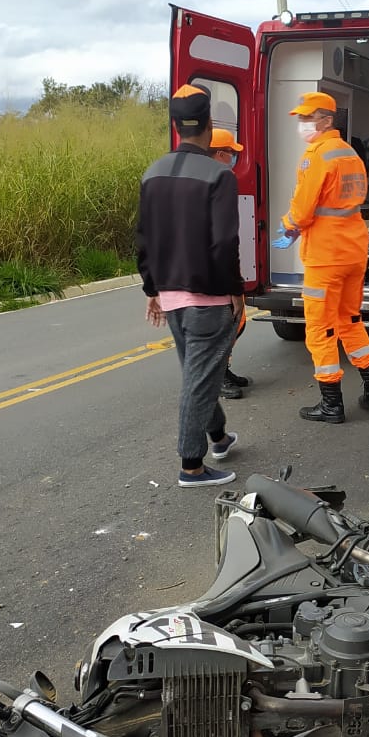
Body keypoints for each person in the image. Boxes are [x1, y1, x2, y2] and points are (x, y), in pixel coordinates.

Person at [136, 85, 245, 487]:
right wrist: (235, 291)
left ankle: (218, 436)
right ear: (209, 125)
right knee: (199, 379)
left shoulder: (153, 173)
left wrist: (152, 290)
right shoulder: (219, 175)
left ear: (176, 125)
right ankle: (191, 466)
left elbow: (143, 237)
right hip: (207, 297)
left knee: (200, 372)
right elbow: (224, 242)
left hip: (171, 296)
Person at [275, 91, 369, 423]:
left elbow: (304, 206)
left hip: (326, 255)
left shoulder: (317, 155)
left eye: (307, 118)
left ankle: (331, 403)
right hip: (353, 250)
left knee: (319, 327)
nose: (303, 124)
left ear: (325, 120)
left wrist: (288, 226)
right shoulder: (349, 153)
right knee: (349, 320)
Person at [209, 127, 252, 401]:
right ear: (221, 154)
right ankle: (217, 377)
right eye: (232, 154)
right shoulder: (215, 182)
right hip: (214, 270)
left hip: (219, 267)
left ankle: (224, 368)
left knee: (236, 322)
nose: (234, 159)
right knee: (223, 324)